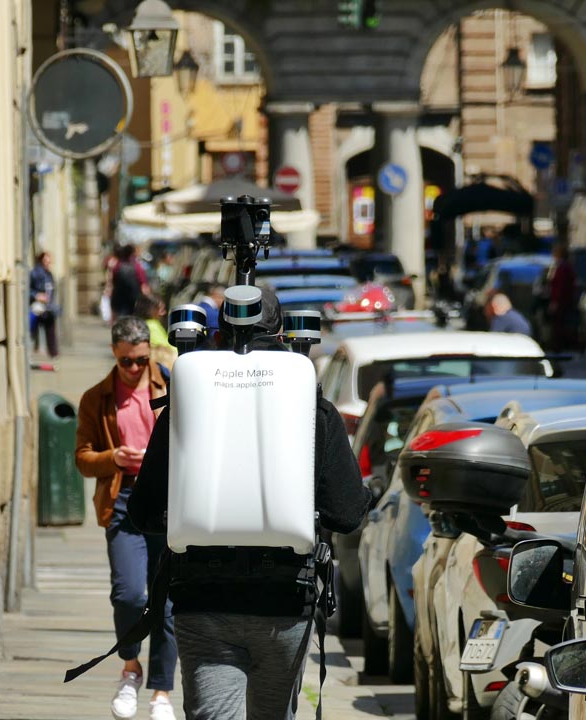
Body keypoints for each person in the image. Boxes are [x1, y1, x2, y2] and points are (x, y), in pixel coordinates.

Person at [128, 288, 370, 720]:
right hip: (285, 601)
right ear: (285, 336)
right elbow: (348, 514)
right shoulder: (314, 410)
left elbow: (144, 512)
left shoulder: (186, 404)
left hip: (203, 598)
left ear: (217, 334)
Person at [75, 317, 178, 720]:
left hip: (167, 501)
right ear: (115, 355)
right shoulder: (97, 398)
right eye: (125, 362)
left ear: (148, 353)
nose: (133, 369)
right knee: (129, 594)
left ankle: (162, 692)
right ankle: (131, 667)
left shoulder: (172, 387)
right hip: (123, 499)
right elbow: (83, 459)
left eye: (139, 360)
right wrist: (113, 458)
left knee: (165, 602)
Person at [546, 242, 578, 351]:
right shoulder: (565, 267)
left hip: (562, 302)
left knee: (559, 326)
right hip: (565, 301)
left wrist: (555, 302)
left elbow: (559, 286)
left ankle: (560, 347)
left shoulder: (562, 268)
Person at [29, 251, 61, 357]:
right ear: (41, 261)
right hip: (37, 306)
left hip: (48, 306)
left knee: (50, 325)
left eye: (49, 261)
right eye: (46, 261)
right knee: (34, 328)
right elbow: (29, 289)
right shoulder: (35, 273)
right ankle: (37, 348)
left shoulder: (49, 274)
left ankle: (53, 351)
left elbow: (51, 289)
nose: (48, 263)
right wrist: (37, 295)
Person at [137, 293, 178, 370]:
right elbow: (165, 348)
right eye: (161, 310)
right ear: (150, 310)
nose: (164, 313)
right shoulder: (151, 326)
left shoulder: (145, 324)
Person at [110, 245, 151, 318]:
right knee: (133, 316)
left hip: (120, 297)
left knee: (122, 317)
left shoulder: (118, 265)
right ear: (132, 253)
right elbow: (143, 282)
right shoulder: (136, 266)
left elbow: (113, 281)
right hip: (134, 297)